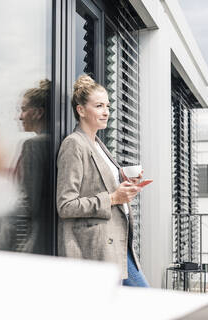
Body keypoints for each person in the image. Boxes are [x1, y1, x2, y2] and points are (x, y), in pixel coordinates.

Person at [56, 74, 149, 287]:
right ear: (81, 110)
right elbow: (66, 205)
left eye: (107, 105)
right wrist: (113, 198)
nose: (106, 111)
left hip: (118, 243)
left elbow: (99, 183)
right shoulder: (74, 145)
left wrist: (125, 180)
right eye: (99, 106)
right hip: (97, 249)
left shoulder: (97, 143)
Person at [0, 79, 52, 254]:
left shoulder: (33, 145)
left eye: (23, 109)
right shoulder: (55, 142)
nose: (19, 116)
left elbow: (29, 204)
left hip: (29, 243)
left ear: (38, 113)